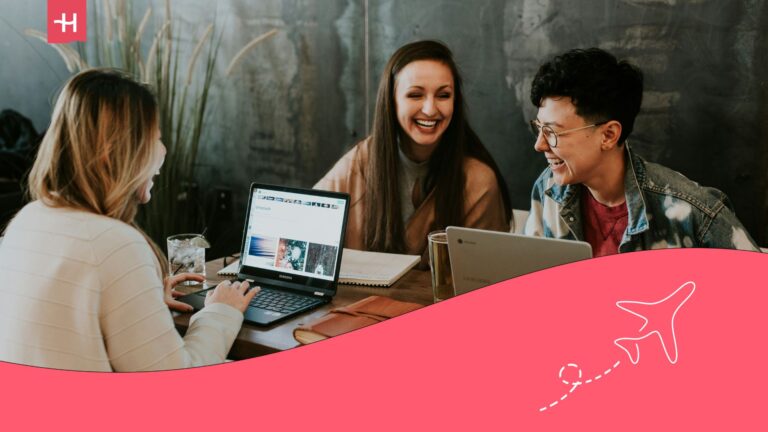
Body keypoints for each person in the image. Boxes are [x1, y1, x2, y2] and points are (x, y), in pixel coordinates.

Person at [0, 69, 260, 371]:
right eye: (156, 138)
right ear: (119, 152)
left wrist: (141, 298)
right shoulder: (115, 244)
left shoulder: (27, 220)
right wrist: (220, 312)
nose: (163, 151)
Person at [524, 48, 759, 255]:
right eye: (539, 128)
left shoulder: (692, 212)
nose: (540, 145)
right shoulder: (548, 189)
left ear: (608, 135)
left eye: (553, 132)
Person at [315, 40, 511, 262]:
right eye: (415, 95)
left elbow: (484, 276)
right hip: (360, 297)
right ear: (392, 101)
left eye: (443, 95)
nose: (430, 109)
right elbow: (306, 224)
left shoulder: (478, 182)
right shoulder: (361, 160)